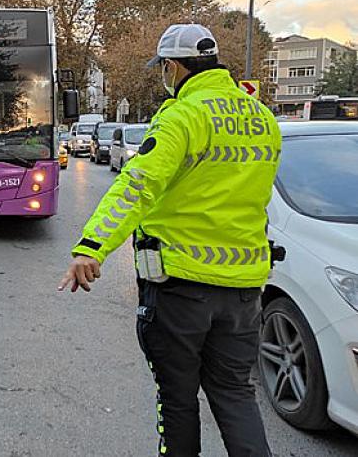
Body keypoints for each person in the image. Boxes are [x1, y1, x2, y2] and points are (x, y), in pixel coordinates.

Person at [57, 24, 281, 457]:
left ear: (173, 67)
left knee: (177, 399)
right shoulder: (262, 118)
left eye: (163, 68)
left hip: (180, 288)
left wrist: (92, 247)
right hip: (243, 289)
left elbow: (137, 187)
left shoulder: (182, 115)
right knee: (235, 393)